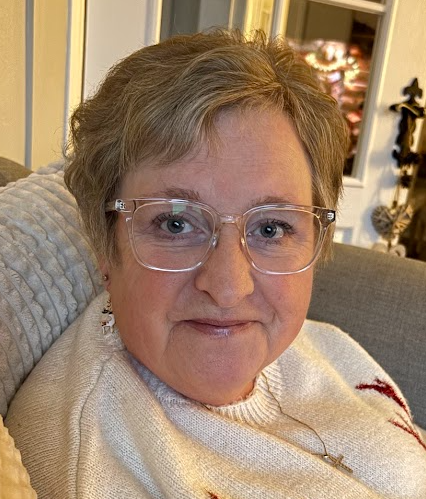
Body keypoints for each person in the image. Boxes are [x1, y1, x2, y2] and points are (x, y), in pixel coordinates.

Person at [5, 30, 426, 498]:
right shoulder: (90, 471)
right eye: (176, 224)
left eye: (271, 228)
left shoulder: (327, 346)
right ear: (105, 242)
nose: (228, 288)